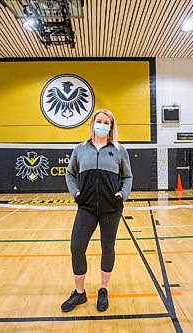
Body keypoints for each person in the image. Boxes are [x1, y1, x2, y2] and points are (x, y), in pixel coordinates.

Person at [61, 109, 133, 312]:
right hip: (87, 207)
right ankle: (79, 293)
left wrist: (123, 194)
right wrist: (75, 192)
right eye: (98, 121)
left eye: (106, 122)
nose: (102, 124)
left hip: (112, 209)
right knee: (76, 247)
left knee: (107, 248)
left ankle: (103, 289)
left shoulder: (119, 150)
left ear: (111, 126)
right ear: (92, 123)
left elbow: (128, 177)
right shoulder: (81, 149)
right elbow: (70, 174)